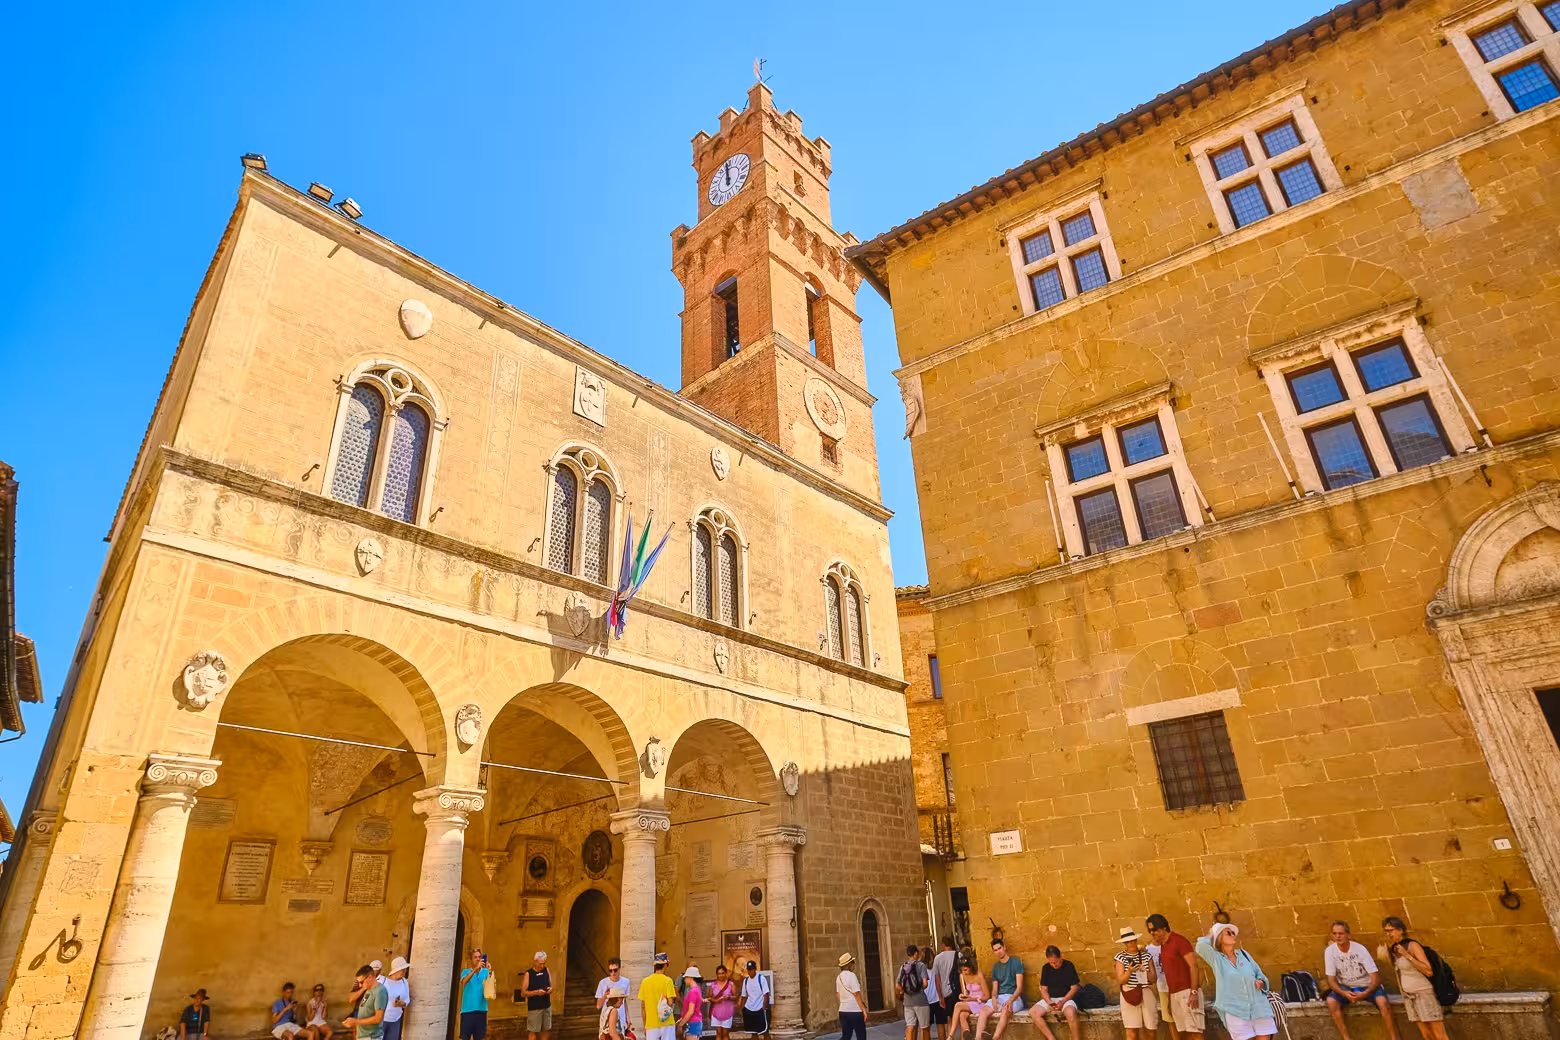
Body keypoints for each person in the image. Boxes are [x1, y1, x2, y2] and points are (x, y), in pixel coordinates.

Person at [1196, 923, 1275, 1040]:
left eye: (1233, 933)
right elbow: (1200, 947)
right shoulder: (1217, 959)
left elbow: (1260, 974)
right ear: (1219, 938)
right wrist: (1212, 934)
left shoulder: (1244, 954)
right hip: (1235, 1010)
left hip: (1258, 1007)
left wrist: (1261, 982)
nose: (1233, 935)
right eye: (1228, 933)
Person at [1324, 922, 1399, 1040]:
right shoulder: (1329, 951)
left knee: (1383, 1003)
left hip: (1367, 985)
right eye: (1335, 934)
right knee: (1331, 1002)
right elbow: (1331, 981)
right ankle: (1346, 1038)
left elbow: (1375, 977)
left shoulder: (1360, 949)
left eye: (1341, 933)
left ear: (1348, 935)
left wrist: (1365, 993)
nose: (1338, 936)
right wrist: (1344, 993)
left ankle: (1394, 1038)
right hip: (1346, 987)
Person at [1381, 918, 1446, 1040]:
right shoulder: (1394, 948)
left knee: (1439, 1035)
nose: (1388, 934)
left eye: (1391, 930)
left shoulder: (1413, 945)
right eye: (1386, 931)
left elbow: (1428, 970)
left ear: (1400, 930)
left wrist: (1407, 955)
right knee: (1427, 1035)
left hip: (1424, 994)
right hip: (1409, 997)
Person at [1146, 914, 1203, 1040]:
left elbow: (1193, 966)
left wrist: (1193, 992)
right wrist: (1171, 1000)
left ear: (1163, 928)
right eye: (1150, 931)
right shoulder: (1163, 946)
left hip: (1187, 991)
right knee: (1184, 1033)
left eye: (1154, 930)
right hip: (1174, 994)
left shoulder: (1179, 941)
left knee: (1195, 1033)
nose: (1152, 933)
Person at [1114, 927, 1159, 1040]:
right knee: (1131, 1030)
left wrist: (1145, 970)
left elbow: (1154, 979)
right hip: (1129, 992)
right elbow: (1120, 980)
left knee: (1151, 1029)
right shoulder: (1120, 957)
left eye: (1133, 940)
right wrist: (1129, 971)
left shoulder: (1146, 956)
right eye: (1128, 941)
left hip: (1145, 991)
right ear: (1125, 943)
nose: (1132, 943)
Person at [1033, 946, 1081, 1040]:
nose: (1054, 965)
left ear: (1060, 957)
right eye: (1051, 963)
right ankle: (1051, 1038)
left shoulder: (1068, 965)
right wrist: (1049, 1001)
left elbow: (1075, 988)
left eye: (1056, 962)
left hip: (1067, 998)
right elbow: (1044, 990)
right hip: (1051, 999)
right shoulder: (1046, 968)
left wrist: (1063, 1001)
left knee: (1070, 1013)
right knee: (1034, 1012)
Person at [985, 939, 1024, 1040]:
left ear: (1004, 947)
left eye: (1000, 948)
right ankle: (977, 1038)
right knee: (983, 1011)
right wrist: (993, 997)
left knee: (1005, 1010)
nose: (998, 951)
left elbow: (1020, 988)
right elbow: (995, 988)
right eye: (995, 950)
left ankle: (995, 1038)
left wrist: (1010, 1000)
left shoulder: (1016, 962)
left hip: (1015, 997)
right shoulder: (995, 967)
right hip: (1001, 996)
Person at [640, 952, 680, 1040]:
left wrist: (645, 1025)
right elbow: (670, 1003)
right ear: (665, 965)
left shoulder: (645, 981)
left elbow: (643, 1006)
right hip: (666, 1023)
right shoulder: (668, 981)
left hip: (651, 1024)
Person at [342, 964, 388, 1040]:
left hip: (371, 1036)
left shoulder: (380, 991)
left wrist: (356, 1021)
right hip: (364, 1036)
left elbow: (378, 1018)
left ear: (370, 977)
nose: (360, 985)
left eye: (361, 982)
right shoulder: (368, 989)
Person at [899, 944, 932, 1040]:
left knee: (910, 1026)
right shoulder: (921, 965)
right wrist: (919, 988)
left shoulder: (903, 966)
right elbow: (925, 983)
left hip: (907, 1001)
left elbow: (898, 985)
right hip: (920, 1001)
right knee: (925, 1027)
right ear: (916, 953)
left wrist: (905, 992)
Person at [458, 949, 493, 1040]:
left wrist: (490, 971)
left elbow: (491, 987)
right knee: (465, 1038)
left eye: (479, 957)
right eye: (475, 957)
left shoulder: (485, 972)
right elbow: (464, 982)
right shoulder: (466, 971)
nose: (478, 959)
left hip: (481, 1011)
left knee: (480, 1038)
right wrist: (475, 970)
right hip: (467, 1012)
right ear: (471, 960)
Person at [950, 959, 988, 1040]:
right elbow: (965, 993)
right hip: (969, 1002)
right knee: (962, 1015)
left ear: (971, 967)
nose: (963, 972)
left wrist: (973, 998)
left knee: (958, 1005)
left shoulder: (979, 975)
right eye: (962, 970)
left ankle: (950, 1036)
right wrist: (962, 996)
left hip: (979, 1002)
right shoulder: (962, 976)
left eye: (965, 970)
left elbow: (987, 996)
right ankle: (967, 1035)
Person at [930, 938, 960, 1040]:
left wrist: (940, 996)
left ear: (943, 945)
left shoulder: (938, 958)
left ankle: (950, 1037)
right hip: (959, 991)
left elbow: (937, 979)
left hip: (946, 992)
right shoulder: (959, 955)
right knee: (962, 1017)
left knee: (950, 1018)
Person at [597, 957, 634, 1037]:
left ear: (620, 968)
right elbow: (598, 1006)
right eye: (610, 971)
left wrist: (628, 1019)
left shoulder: (626, 982)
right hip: (607, 1019)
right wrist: (604, 997)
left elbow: (625, 1003)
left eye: (615, 970)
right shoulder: (603, 983)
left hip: (621, 1019)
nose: (613, 973)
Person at [524, 951, 555, 1040]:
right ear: (535, 961)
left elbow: (551, 986)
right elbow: (523, 992)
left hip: (546, 1006)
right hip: (534, 1008)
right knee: (533, 1031)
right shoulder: (529, 974)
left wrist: (550, 990)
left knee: (546, 1029)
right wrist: (537, 992)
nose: (542, 966)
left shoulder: (546, 970)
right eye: (540, 964)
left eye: (543, 964)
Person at [838, 952, 869, 1040]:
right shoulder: (852, 976)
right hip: (854, 1011)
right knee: (861, 1036)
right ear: (849, 965)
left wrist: (845, 1002)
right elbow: (857, 994)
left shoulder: (839, 977)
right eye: (853, 962)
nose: (854, 965)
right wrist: (863, 1010)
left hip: (843, 1010)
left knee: (846, 1036)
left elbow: (839, 994)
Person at [740, 960, 772, 1040]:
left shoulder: (761, 979)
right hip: (750, 1008)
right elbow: (744, 996)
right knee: (753, 1032)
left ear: (755, 969)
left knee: (765, 1032)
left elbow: (766, 994)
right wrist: (742, 1008)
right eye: (749, 969)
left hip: (760, 1008)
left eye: (751, 969)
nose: (750, 971)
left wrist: (764, 1008)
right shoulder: (746, 981)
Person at [381, 957, 411, 1040]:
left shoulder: (404, 982)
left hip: (396, 1020)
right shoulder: (383, 981)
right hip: (381, 1019)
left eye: (405, 969)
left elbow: (407, 999)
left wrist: (403, 1004)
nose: (405, 971)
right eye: (403, 969)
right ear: (396, 970)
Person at [709, 964, 738, 1040]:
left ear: (726, 973)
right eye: (719, 973)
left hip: (727, 1012)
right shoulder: (713, 985)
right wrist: (716, 1000)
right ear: (717, 975)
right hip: (716, 1013)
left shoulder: (731, 984)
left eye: (722, 973)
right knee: (718, 1033)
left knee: (725, 1034)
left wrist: (729, 997)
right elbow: (709, 997)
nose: (721, 975)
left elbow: (735, 997)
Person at [679, 966, 707, 1038]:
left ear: (690, 977)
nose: (684, 979)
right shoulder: (697, 989)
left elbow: (691, 1011)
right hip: (695, 1022)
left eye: (686, 977)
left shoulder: (693, 992)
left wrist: (681, 1024)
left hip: (693, 1023)